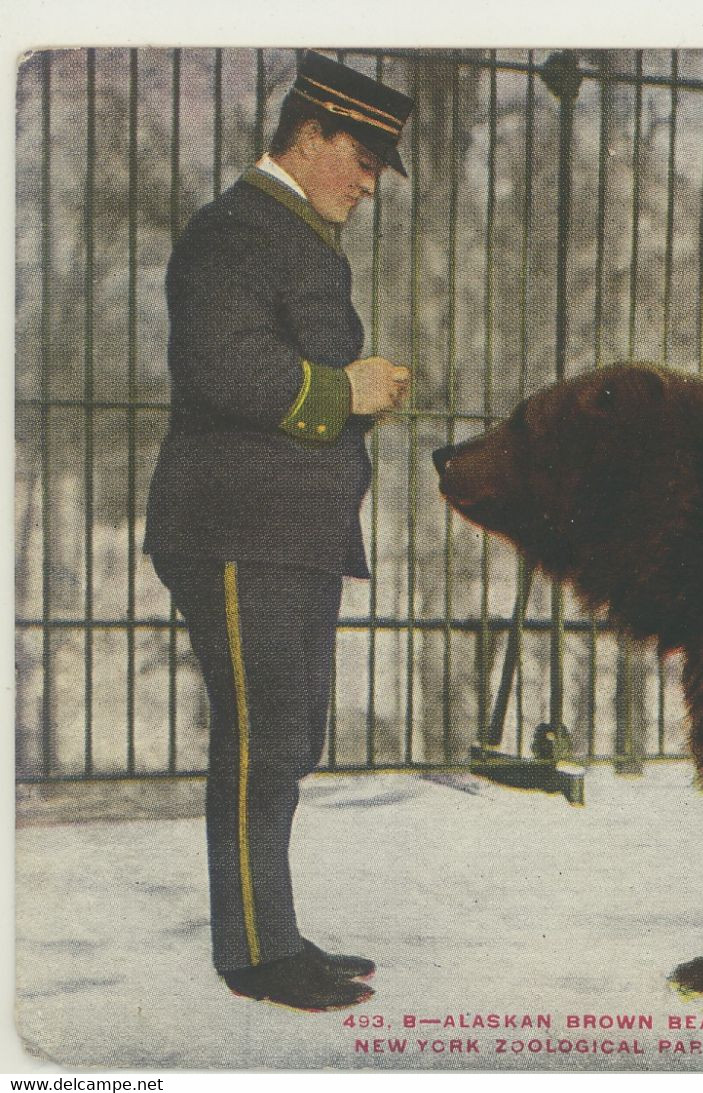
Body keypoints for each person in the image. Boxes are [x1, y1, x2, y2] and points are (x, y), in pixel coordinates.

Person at [144, 50, 415, 1012]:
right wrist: (348, 389)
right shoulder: (235, 231)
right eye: (366, 157)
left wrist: (355, 398)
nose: (371, 181)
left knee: (289, 735)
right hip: (235, 525)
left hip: (282, 528)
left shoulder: (285, 233)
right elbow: (227, 372)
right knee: (263, 741)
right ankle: (254, 955)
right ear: (311, 137)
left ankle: (273, 931)